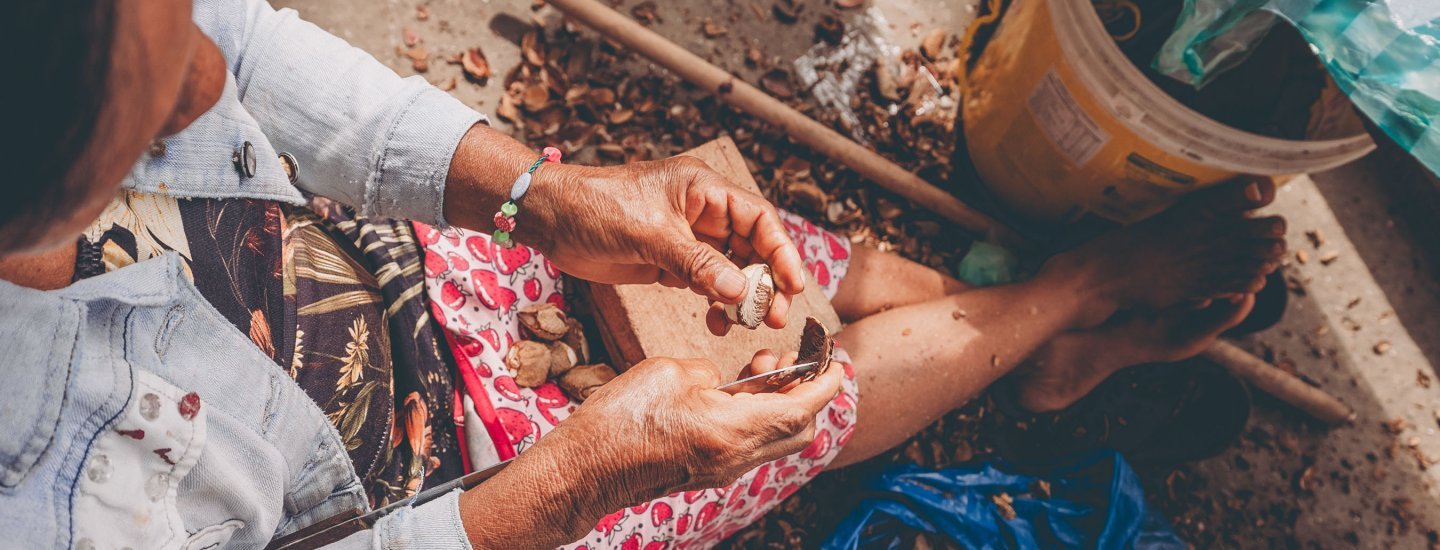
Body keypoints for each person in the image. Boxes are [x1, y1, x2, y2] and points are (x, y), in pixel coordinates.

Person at [0, 1, 1285, 549]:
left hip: (374, 280)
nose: (214, 91)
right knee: (807, 403)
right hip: (434, 498)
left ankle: (1029, 329)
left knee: (774, 262)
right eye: (157, 116)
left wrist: (540, 195)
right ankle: (1063, 301)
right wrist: (577, 479)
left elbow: (236, 47)